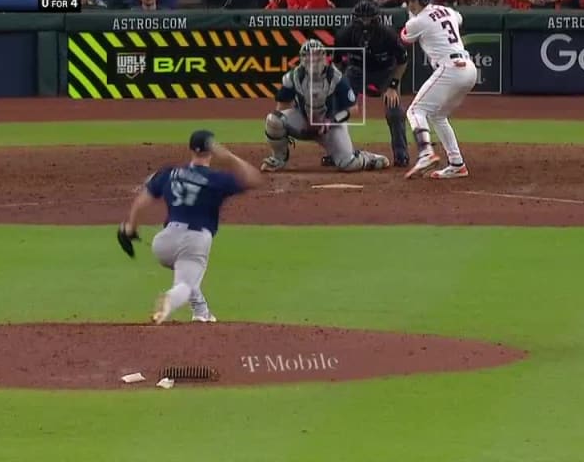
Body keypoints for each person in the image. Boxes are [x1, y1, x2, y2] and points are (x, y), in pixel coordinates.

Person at [120, 130, 262, 325]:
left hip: (163, 243)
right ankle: (170, 299)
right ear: (211, 150)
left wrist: (130, 228)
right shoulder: (216, 180)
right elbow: (254, 179)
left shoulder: (169, 173)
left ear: (190, 149)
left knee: (187, 273)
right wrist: (229, 156)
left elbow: (140, 203)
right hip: (194, 241)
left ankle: (202, 313)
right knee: (185, 285)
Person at [261, 39, 392, 173]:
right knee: (274, 120)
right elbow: (282, 106)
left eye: (317, 56)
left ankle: (368, 158)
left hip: (331, 125)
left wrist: (331, 121)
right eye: (309, 57)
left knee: (348, 163)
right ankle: (278, 158)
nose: (314, 61)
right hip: (304, 121)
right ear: (302, 59)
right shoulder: (293, 77)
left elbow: (353, 109)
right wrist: (290, 125)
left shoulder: (336, 77)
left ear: (324, 57)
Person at [399, 0, 478, 180]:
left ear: (423, 0)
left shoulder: (416, 22)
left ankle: (426, 153)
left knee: (415, 110)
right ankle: (457, 164)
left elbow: (405, 39)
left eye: (413, 1)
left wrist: (414, 19)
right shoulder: (447, 10)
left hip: (450, 68)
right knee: (438, 116)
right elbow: (458, 19)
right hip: (469, 69)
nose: (410, 5)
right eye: (408, 1)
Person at [332, 0, 410, 167]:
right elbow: (337, 63)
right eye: (362, 19)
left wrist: (393, 86)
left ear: (377, 19)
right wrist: (337, 87)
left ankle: (401, 153)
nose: (365, 23)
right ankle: (336, 151)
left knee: (394, 111)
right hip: (356, 71)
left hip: (385, 72)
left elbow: (403, 60)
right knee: (335, 107)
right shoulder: (345, 34)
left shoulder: (387, 34)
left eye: (369, 19)